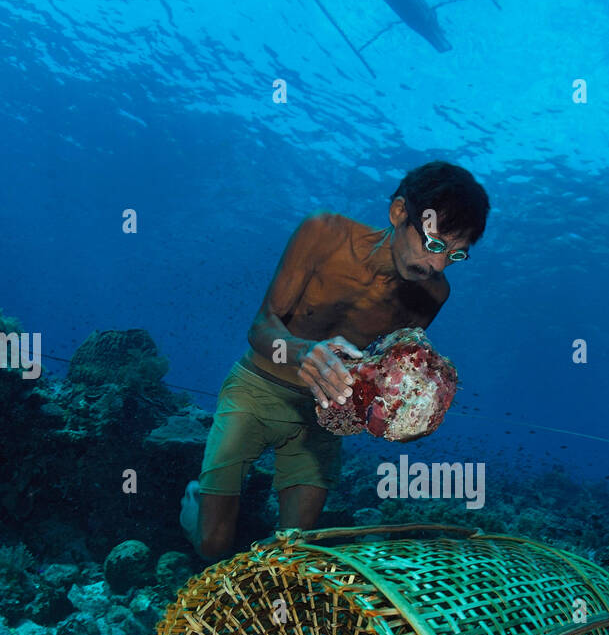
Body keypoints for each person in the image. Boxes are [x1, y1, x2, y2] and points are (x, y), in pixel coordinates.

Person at [180, 161, 490, 560]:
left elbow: (384, 368)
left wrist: (404, 415)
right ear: (399, 213)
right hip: (257, 389)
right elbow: (261, 329)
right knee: (212, 545)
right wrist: (303, 352)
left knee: (292, 552)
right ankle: (195, 505)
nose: (437, 265)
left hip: (323, 416)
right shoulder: (324, 234)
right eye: (434, 244)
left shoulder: (434, 294)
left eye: (456, 255)